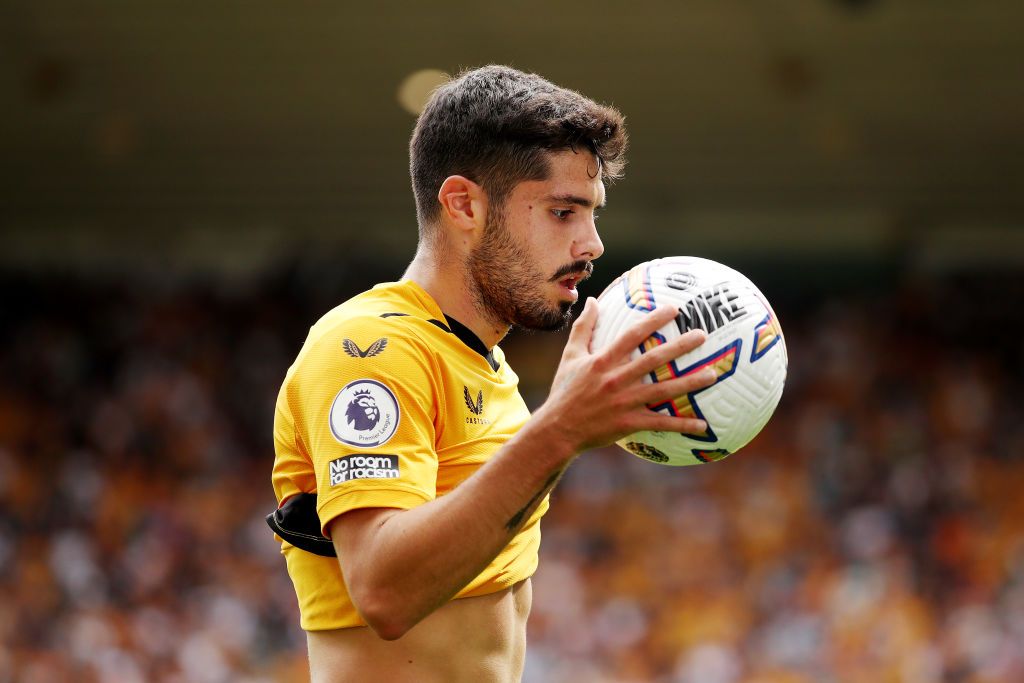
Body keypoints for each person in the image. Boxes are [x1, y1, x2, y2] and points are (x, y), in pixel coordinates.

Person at [268, 65, 716, 682]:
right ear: (463, 205)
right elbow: (384, 591)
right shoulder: (369, 346)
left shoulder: (486, 363)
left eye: (592, 214)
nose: (592, 245)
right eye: (563, 212)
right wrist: (559, 432)